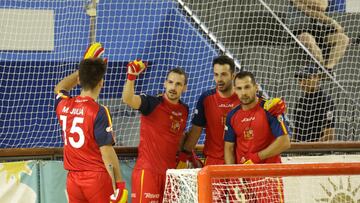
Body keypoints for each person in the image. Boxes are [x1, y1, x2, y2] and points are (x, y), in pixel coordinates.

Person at [180, 55, 286, 166]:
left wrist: (278, 107)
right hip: (213, 161)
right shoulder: (206, 99)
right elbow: (196, 131)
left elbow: (265, 109)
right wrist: (184, 155)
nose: (219, 79)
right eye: (216, 74)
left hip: (240, 161)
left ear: (233, 75)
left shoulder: (245, 97)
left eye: (224, 74)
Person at [54, 43, 127, 203]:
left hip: (73, 179)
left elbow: (60, 87)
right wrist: (120, 184)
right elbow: (107, 151)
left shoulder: (63, 105)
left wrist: (84, 63)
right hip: (96, 178)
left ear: (79, 79)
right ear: (101, 82)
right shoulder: (99, 111)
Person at [122, 60, 189, 203]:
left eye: (178, 84)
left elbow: (178, 136)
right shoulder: (152, 103)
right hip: (148, 173)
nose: (173, 87)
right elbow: (127, 99)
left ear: (185, 88)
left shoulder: (184, 110)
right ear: (164, 84)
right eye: (170, 82)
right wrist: (131, 77)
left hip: (171, 175)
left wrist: (185, 156)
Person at [224, 71, 291, 202]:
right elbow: (229, 148)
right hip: (243, 179)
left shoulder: (270, 108)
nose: (243, 92)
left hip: (268, 176)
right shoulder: (232, 116)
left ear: (256, 87)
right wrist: (233, 175)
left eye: (247, 87)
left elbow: (285, 142)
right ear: (234, 90)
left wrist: (256, 158)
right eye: (239, 88)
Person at [290, 0, 349, 73]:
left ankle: (328, 68)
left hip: (320, 29)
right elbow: (314, 9)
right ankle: (323, 68)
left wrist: (299, 2)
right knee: (306, 38)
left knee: (343, 39)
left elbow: (322, 5)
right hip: (301, 27)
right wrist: (331, 22)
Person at [293, 66, 335, 142]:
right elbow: (296, 133)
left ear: (317, 77)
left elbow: (329, 135)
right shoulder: (300, 102)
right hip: (299, 151)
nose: (302, 84)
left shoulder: (326, 101)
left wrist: (313, 150)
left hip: (318, 151)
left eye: (306, 79)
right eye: (300, 80)